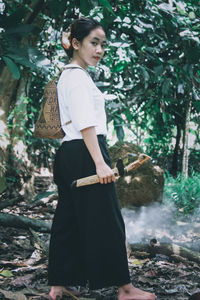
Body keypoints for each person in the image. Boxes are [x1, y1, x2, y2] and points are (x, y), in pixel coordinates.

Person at [48, 17, 156, 300]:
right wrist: (99, 162)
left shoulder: (69, 75)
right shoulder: (77, 77)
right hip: (86, 151)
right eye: (93, 43)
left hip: (70, 152)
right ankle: (125, 288)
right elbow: (86, 123)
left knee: (68, 219)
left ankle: (58, 284)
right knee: (108, 220)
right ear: (75, 43)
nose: (99, 50)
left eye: (103, 45)